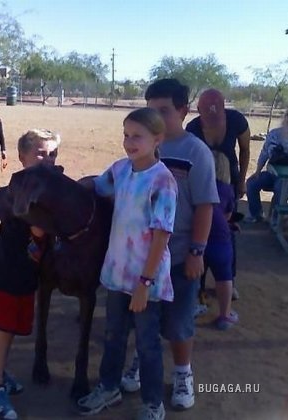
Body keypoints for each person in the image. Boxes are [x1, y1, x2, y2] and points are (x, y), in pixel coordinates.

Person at [121, 79, 219, 411]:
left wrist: (196, 251)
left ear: (183, 110)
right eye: (151, 110)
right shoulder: (145, 145)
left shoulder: (196, 152)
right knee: (144, 317)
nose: (156, 117)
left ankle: (182, 374)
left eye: (164, 110)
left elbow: (206, 205)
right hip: (144, 258)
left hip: (178, 256)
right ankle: (142, 362)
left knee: (179, 322)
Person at [77, 107, 178, 420]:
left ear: (157, 139)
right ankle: (109, 387)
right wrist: (69, 186)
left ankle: (152, 404)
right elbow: (98, 185)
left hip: (144, 280)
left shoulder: (162, 181)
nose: (130, 142)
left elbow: (161, 237)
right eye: (126, 135)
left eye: (138, 136)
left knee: (147, 344)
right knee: (113, 336)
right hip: (117, 275)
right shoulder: (120, 170)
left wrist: (144, 285)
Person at [0, 129, 61, 420]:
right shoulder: (24, 186)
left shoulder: (41, 183)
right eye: (39, 153)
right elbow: (38, 229)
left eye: (52, 154)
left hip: (23, 271)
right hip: (8, 270)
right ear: (22, 157)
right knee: (4, 329)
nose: (47, 159)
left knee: (10, 328)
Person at [186, 88, 251, 300]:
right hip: (202, 184)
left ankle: (228, 280)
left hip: (228, 182)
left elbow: (245, 149)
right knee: (199, 232)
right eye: (208, 109)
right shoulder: (193, 128)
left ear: (224, 106)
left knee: (227, 231)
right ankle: (199, 285)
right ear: (198, 109)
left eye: (217, 108)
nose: (213, 113)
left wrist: (241, 180)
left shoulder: (236, 120)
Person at [202, 151, 239, 330]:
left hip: (197, 238)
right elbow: (226, 215)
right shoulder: (227, 189)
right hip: (220, 238)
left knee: (194, 276)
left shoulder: (198, 185)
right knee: (224, 277)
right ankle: (225, 315)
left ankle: (194, 305)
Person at [245, 110, 288, 223]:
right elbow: (264, 153)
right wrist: (258, 171)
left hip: (285, 178)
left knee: (281, 187)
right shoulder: (274, 134)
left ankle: (276, 218)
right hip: (271, 172)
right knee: (251, 183)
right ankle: (256, 214)